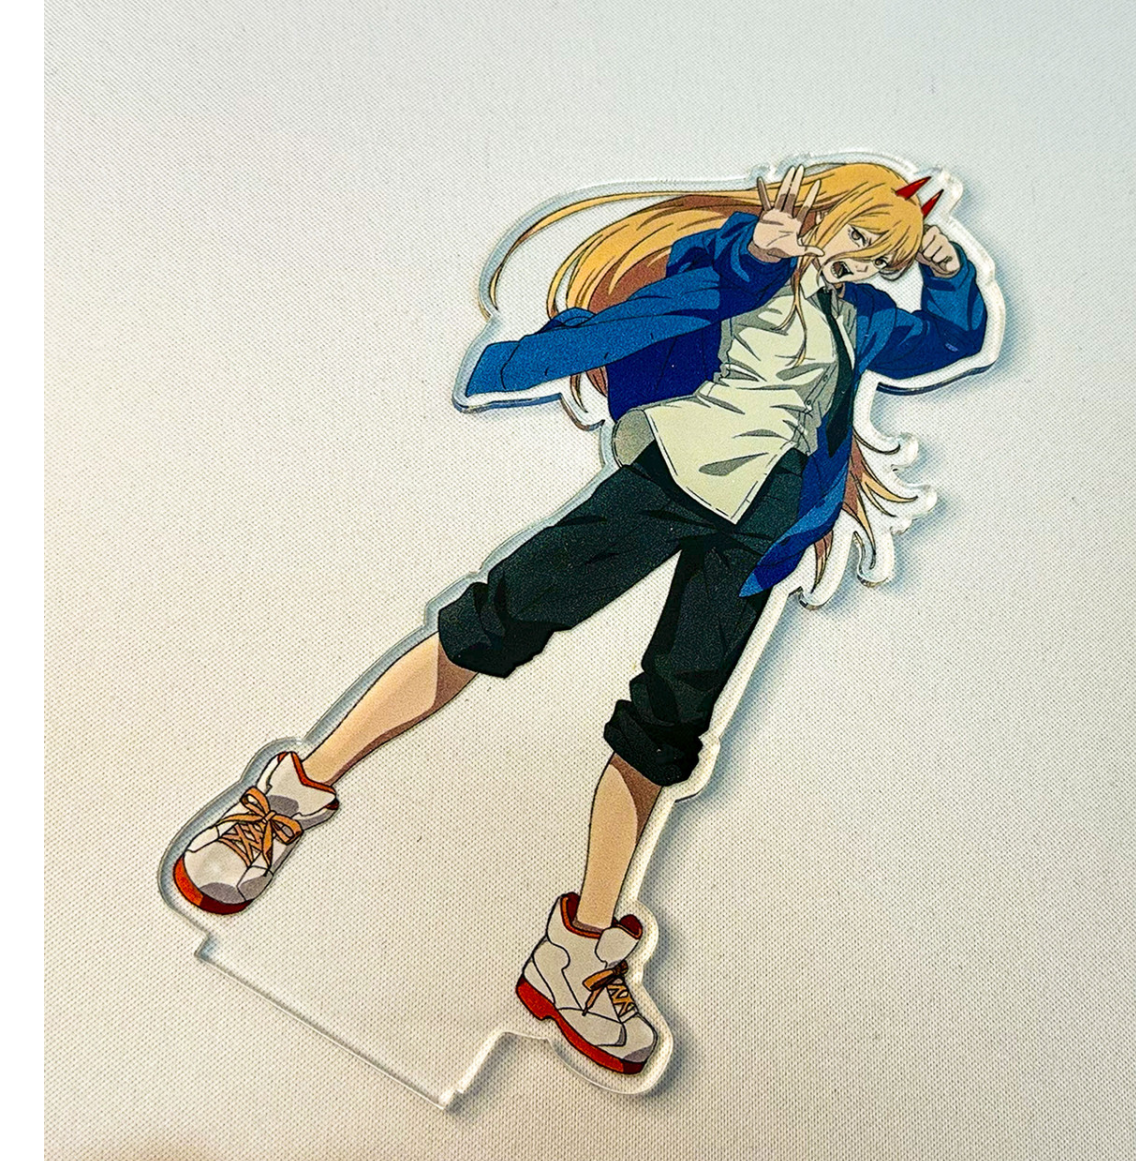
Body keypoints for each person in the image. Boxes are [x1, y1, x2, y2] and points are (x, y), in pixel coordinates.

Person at [171, 162, 989, 1077]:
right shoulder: (743, 254)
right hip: (664, 479)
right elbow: (707, 272)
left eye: (882, 256)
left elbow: (946, 343)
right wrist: (762, 251)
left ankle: (580, 952)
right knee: (491, 625)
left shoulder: (863, 319)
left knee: (668, 726)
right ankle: (283, 800)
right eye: (861, 241)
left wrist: (945, 266)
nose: (865, 264)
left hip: (759, 528)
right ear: (823, 212)